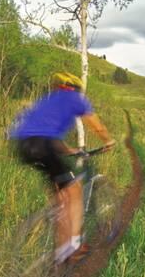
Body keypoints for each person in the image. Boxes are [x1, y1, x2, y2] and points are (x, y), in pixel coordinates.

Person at [9, 72, 115, 265]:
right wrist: (108, 141)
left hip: (23, 146)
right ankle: (71, 248)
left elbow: (46, 135)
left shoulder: (48, 99)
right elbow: (96, 126)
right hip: (43, 145)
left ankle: (61, 246)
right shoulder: (76, 99)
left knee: (61, 197)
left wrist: (70, 150)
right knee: (74, 191)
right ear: (76, 88)